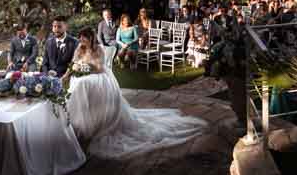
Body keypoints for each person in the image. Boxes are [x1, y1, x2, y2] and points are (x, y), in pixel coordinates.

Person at [66, 27, 207, 160]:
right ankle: (80, 121)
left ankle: (96, 122)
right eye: (81, 39)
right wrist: (74, 70)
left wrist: (85, 68)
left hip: (99, 76)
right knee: (79, 83)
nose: (82, 41)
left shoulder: (99, 49)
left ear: (91, 38)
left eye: (84, 39)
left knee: (83, 84)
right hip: (84, 75)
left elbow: (99, 68)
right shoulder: (79, 49)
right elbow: (73, 63)